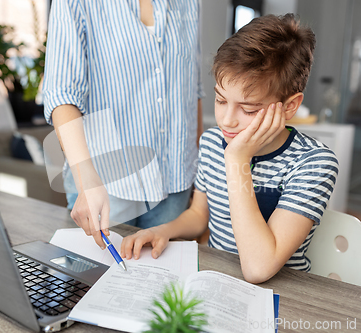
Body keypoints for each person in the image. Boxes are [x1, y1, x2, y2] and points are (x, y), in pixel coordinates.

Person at [120, 13, 339, 283]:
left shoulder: (313, 163)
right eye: (221, 100)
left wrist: (237, 160)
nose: (227, 120)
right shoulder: (213, 142)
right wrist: (164, 230)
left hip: (281, 294)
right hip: (215, 281)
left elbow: (258, 268)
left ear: (290, 106)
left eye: (248, 108)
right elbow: (200, 215)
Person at [43, 0, 204, 249]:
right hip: (105, 185)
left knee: (161, 285)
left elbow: (193, 91)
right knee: (97, 284)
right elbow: (62, 96)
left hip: (175, 183)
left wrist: (198, 174)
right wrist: (87, 182)